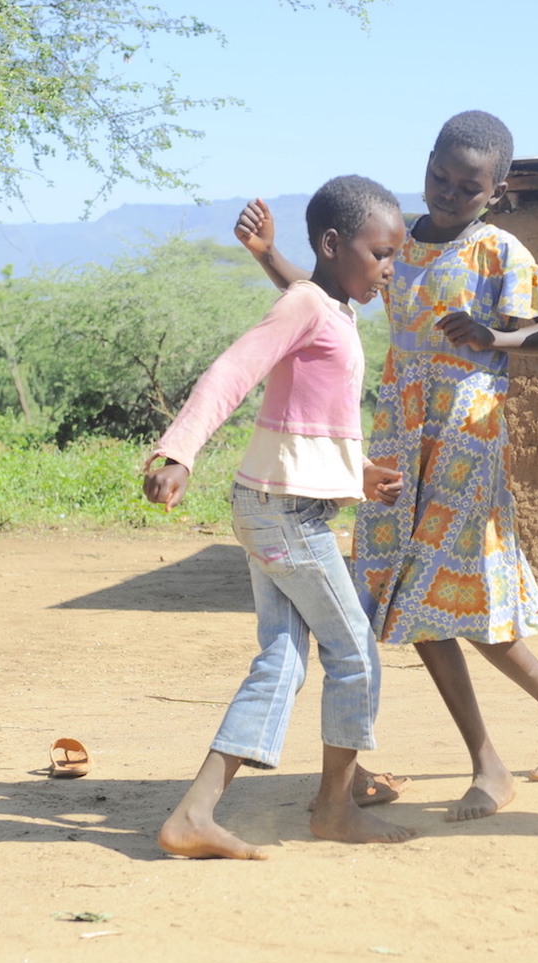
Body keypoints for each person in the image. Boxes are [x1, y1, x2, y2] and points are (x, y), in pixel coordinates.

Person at [236, 111, 538, 822]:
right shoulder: (396, 244)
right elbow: (324, 296)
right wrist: (265, 255)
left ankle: (491, 765)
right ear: (427, 161)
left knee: (427, 594)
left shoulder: (497, 249)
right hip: (401, 433)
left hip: (466, 435)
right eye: (440, 176)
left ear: (494, 192)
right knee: (409, 596)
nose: (448, 193)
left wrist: (494, 334)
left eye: (469, 187)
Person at [145, 175, 416, 860]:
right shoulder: (306, 306)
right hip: (285, 515)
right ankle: (335, 806)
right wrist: (178, 450)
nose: (390, 269)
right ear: (333, 244)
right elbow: (232, 372)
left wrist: (355, 476)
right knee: (353, 650)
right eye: (381, 254)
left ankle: (195, 813)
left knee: (283, 660)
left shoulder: (332, 307)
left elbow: (311, 422)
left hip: (277, 504)